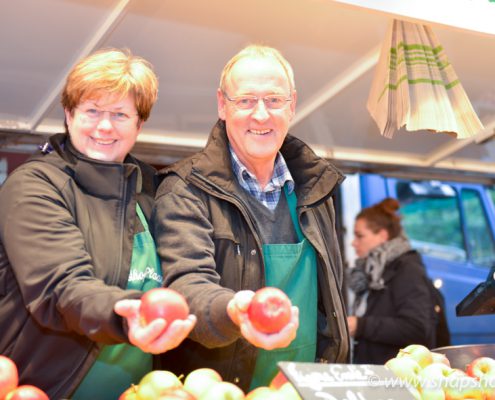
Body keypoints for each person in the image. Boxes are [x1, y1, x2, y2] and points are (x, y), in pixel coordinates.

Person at [152, 44, 349, 392]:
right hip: (223, 388)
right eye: (245, 101)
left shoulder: (318, 189)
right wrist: (233, 311)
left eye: (274, 100)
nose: (261, 115)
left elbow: (331, 299)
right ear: (222, 105)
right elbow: (186, 285)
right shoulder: (184, 189)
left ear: (292, 104)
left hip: (304, 387)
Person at [0, 48, 196, 399]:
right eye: (92, 111)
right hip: (45, 389)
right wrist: (126, 316)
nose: (104, 126)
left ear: (139, 124)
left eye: (120, 114)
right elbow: (62, 288)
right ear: (69, 114)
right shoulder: (34, 187)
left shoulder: (154, 191)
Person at [347, 198, 437, 365]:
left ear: (382, 235)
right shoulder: (373, 272)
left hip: (399, 379)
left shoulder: (407, 270)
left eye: (359, 236)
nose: (353, 243)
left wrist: (361, 326)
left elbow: (416, 328)